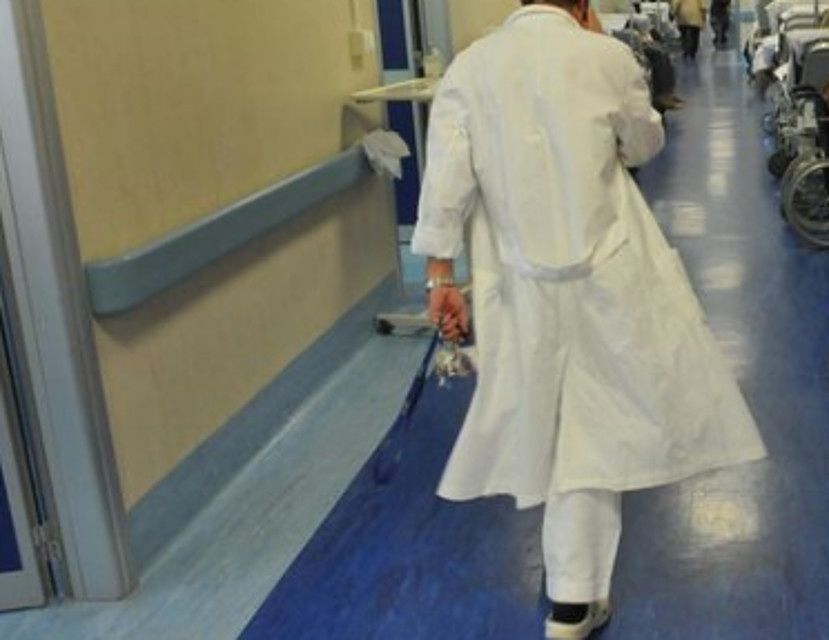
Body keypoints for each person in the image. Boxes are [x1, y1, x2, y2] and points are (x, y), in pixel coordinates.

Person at [411, 1, 768, 638]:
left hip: (518, 282)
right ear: (580, 6)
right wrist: (602, 50)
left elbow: (445, 185)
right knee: (595, 422)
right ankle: (574, 596)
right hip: (608, 272)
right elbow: (644, 143)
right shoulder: (604, 57)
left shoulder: (471, 67)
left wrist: (440, 278)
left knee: (553, 423)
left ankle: (573, 594)